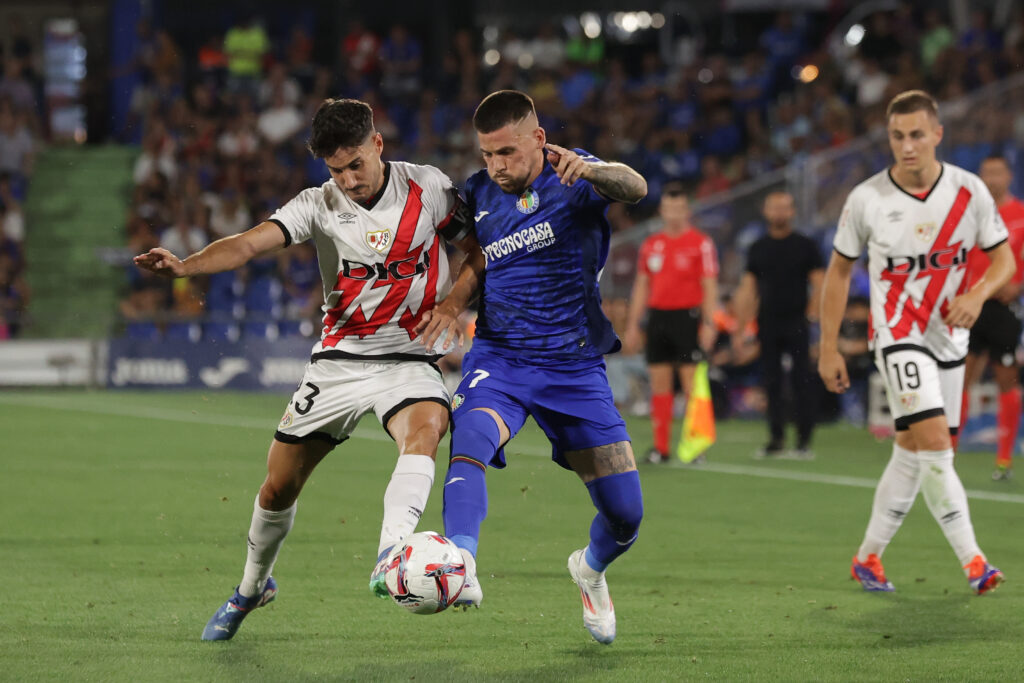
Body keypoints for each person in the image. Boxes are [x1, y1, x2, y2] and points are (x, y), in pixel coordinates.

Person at [133, 98, 485, 640]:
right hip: (339, 361)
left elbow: (478, 250)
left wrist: (453, 303)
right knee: (277, 489)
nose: (347, 179)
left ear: (378, 145)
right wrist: (186, 266)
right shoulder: (317, 203)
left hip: (409, 357)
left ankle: (391, 554)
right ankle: (252, 588)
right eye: (336, 170)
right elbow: (250, 243)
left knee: (427, 429)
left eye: (355, 165)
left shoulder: (430, 189)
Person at [440, 90, 647, 644]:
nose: (496, 166)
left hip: (573, 368)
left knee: (626, 516)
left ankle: (590, 569)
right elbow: (480, 257)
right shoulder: (480, 192)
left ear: (538, 138)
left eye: (506, 152)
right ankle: (460, 562)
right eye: (487, 154)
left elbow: (636, 187)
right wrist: (452, 304)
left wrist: (599, 172)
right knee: (471, 436)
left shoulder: (575, 176)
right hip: (500, 357)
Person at [818, 90, 1013, 595]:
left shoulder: (969, 192)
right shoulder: (866, 199)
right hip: (899, 336)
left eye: (917, 135)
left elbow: (1005, 262)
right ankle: (975, 563)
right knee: (936, 445)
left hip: (950, 337)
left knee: (910, 450)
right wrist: (828, 346)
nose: (907, 146)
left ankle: (867, 558)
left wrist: (977, 293)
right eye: (897, 137)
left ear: (937, 135)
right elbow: (838, 275)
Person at [623, 182, 718, 463]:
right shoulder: (652, 245)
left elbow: (709, 285)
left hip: (688, 317)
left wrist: (710, 322)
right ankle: (660, 448)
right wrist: (632, 324)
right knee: (659, 384)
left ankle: (696, 447)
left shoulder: (701, 243)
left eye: (679, 208)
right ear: (662, 210)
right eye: (669, 208)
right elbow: (641, 286)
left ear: (687, 210)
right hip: (658, 317)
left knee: (692, 385)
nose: (674, 213)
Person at [732, 191, 824, 458]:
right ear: (766, 211)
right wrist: (741, 328)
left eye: (785, 207)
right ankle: (776, 438)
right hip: (768, 322)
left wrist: (812, 314)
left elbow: (820, 283)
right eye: (774, 207)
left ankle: (804, 440)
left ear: (792, 211)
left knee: (801, 380)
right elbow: (748, 290)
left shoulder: (806, 245)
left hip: (797, 321)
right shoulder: (758, 247)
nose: (779, 212)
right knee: (770, 381)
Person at [959, 155, 1024, 480]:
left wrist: (1018, 285)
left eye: (998, 172)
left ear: (1009, 176)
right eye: (986, 173)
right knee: (960, 380)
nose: (992, 178)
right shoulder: (970, 216)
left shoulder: (1021, 214)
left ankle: (1004, 460)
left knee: (1006, 382)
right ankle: (948, 455)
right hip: (971, 305)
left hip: (1002, 309)